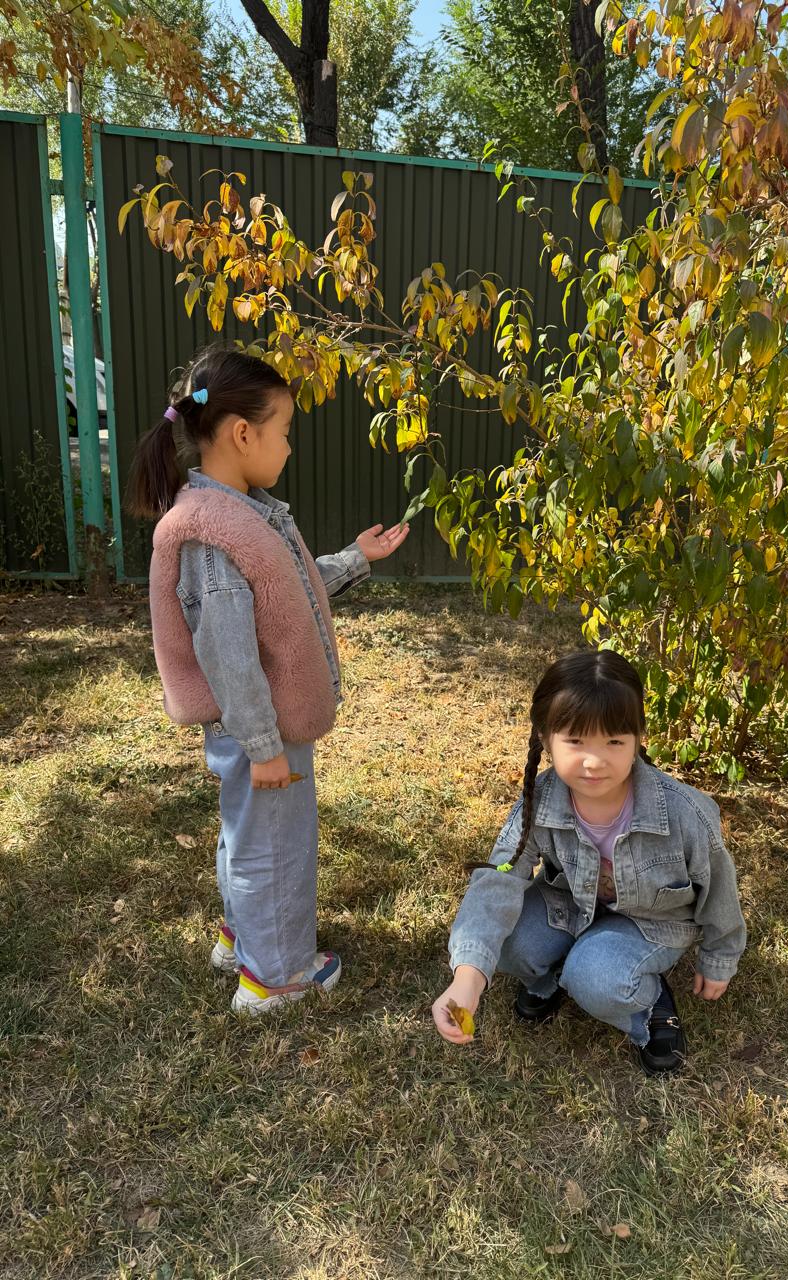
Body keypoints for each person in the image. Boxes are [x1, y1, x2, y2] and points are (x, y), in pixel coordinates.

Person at [126, 346, 409, 1015]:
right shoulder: (214, 532)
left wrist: (354, 558)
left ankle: (240, 937)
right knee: (275, 847)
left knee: (246, 833)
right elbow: (228, 657)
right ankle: (275, 974)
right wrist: (263, 747)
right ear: (242, 433)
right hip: (263, 729)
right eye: (283, 432)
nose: (287, 447)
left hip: (258, 728)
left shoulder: (239, 513)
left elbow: (289, 599)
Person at [431, 650, 746, 1073]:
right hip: (570, 906)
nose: (594, 761)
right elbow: (500, 877)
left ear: (637, 737)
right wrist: (467, 977)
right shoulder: (539, 801)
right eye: (575, 741)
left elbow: (719, 888)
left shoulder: (685, 814)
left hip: (651, 923)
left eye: (614, 741)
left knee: (596, 977)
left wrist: (719, 957)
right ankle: (550, 978)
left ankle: (647, 1005)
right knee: (501, 939)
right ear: (546, 738)